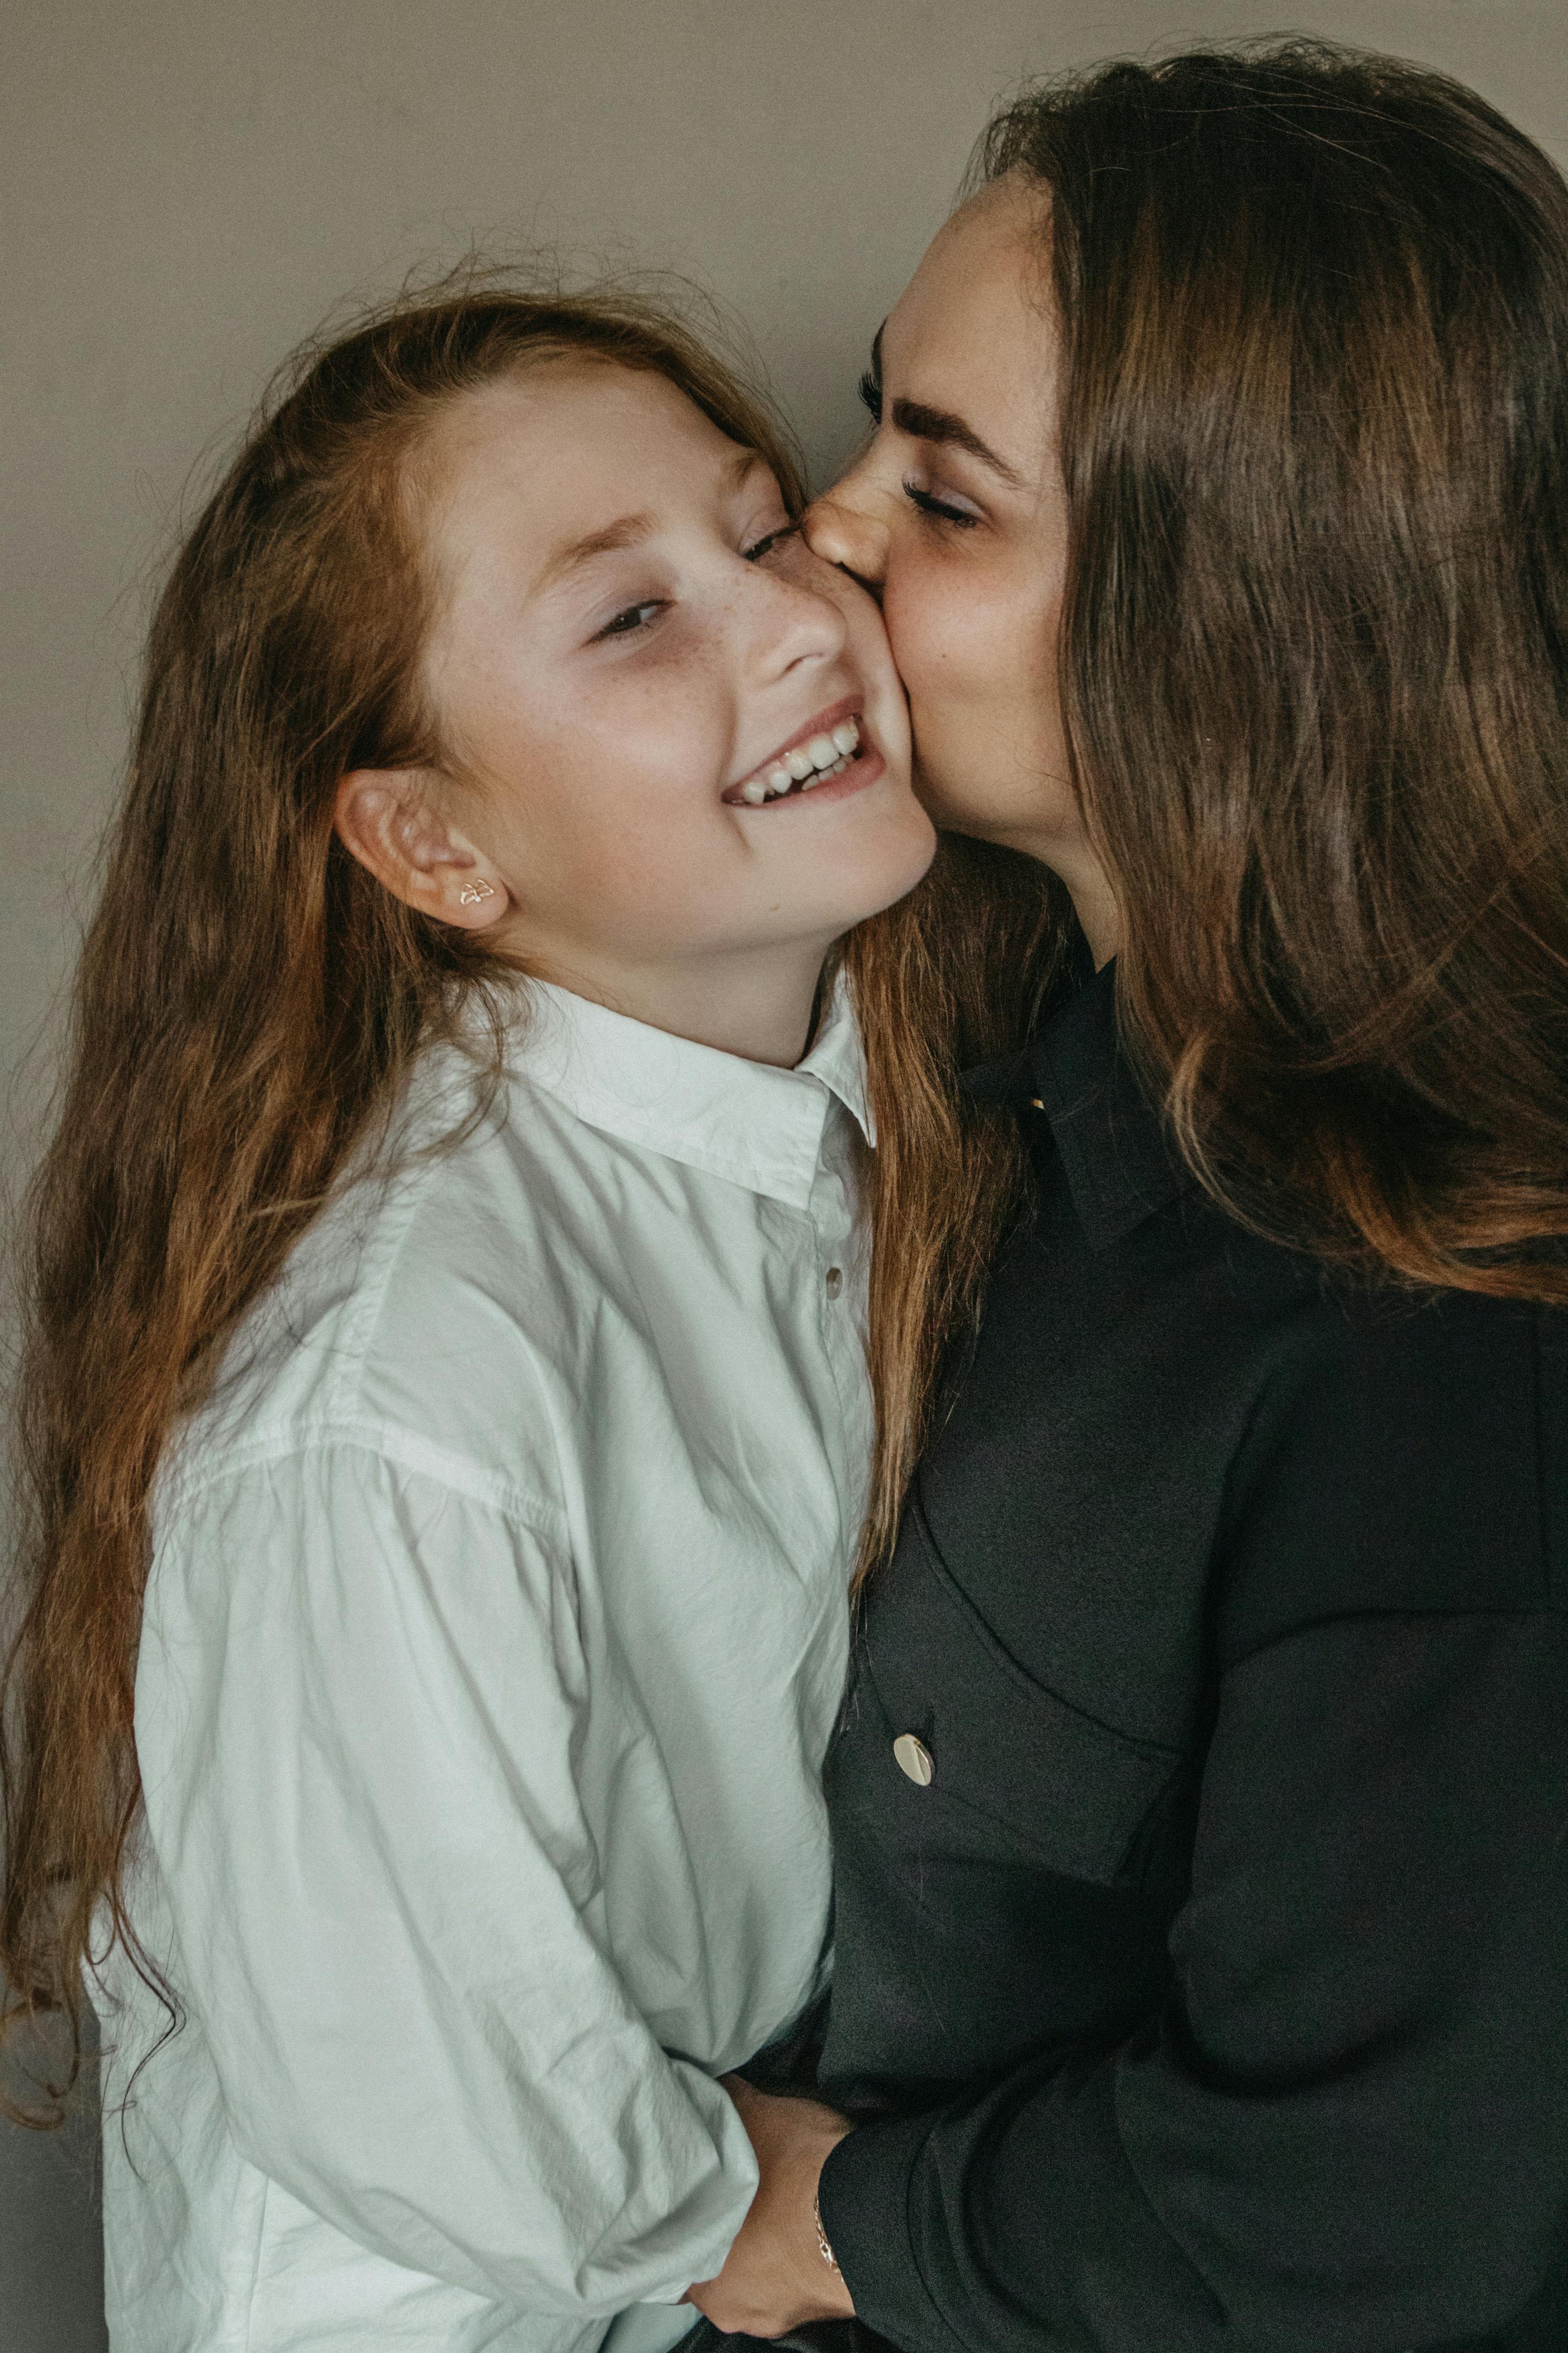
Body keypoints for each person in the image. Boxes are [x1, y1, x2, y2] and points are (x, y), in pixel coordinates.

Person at [688, 41, 1568, 2352]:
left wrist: (836, 2225)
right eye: (877, 421)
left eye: (948, 494)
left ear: (1247, 619)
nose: (832, 517)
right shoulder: (1017, 1106)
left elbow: (1371, 2217)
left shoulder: (1453, 1339)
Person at [0, 280, 947, 2353]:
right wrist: (805, 2209)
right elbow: (427, 2084)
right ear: (431, 840)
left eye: (764, 527)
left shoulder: (843, 1127)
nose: (799, 622)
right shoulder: (399, 1390)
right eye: (632, 619)